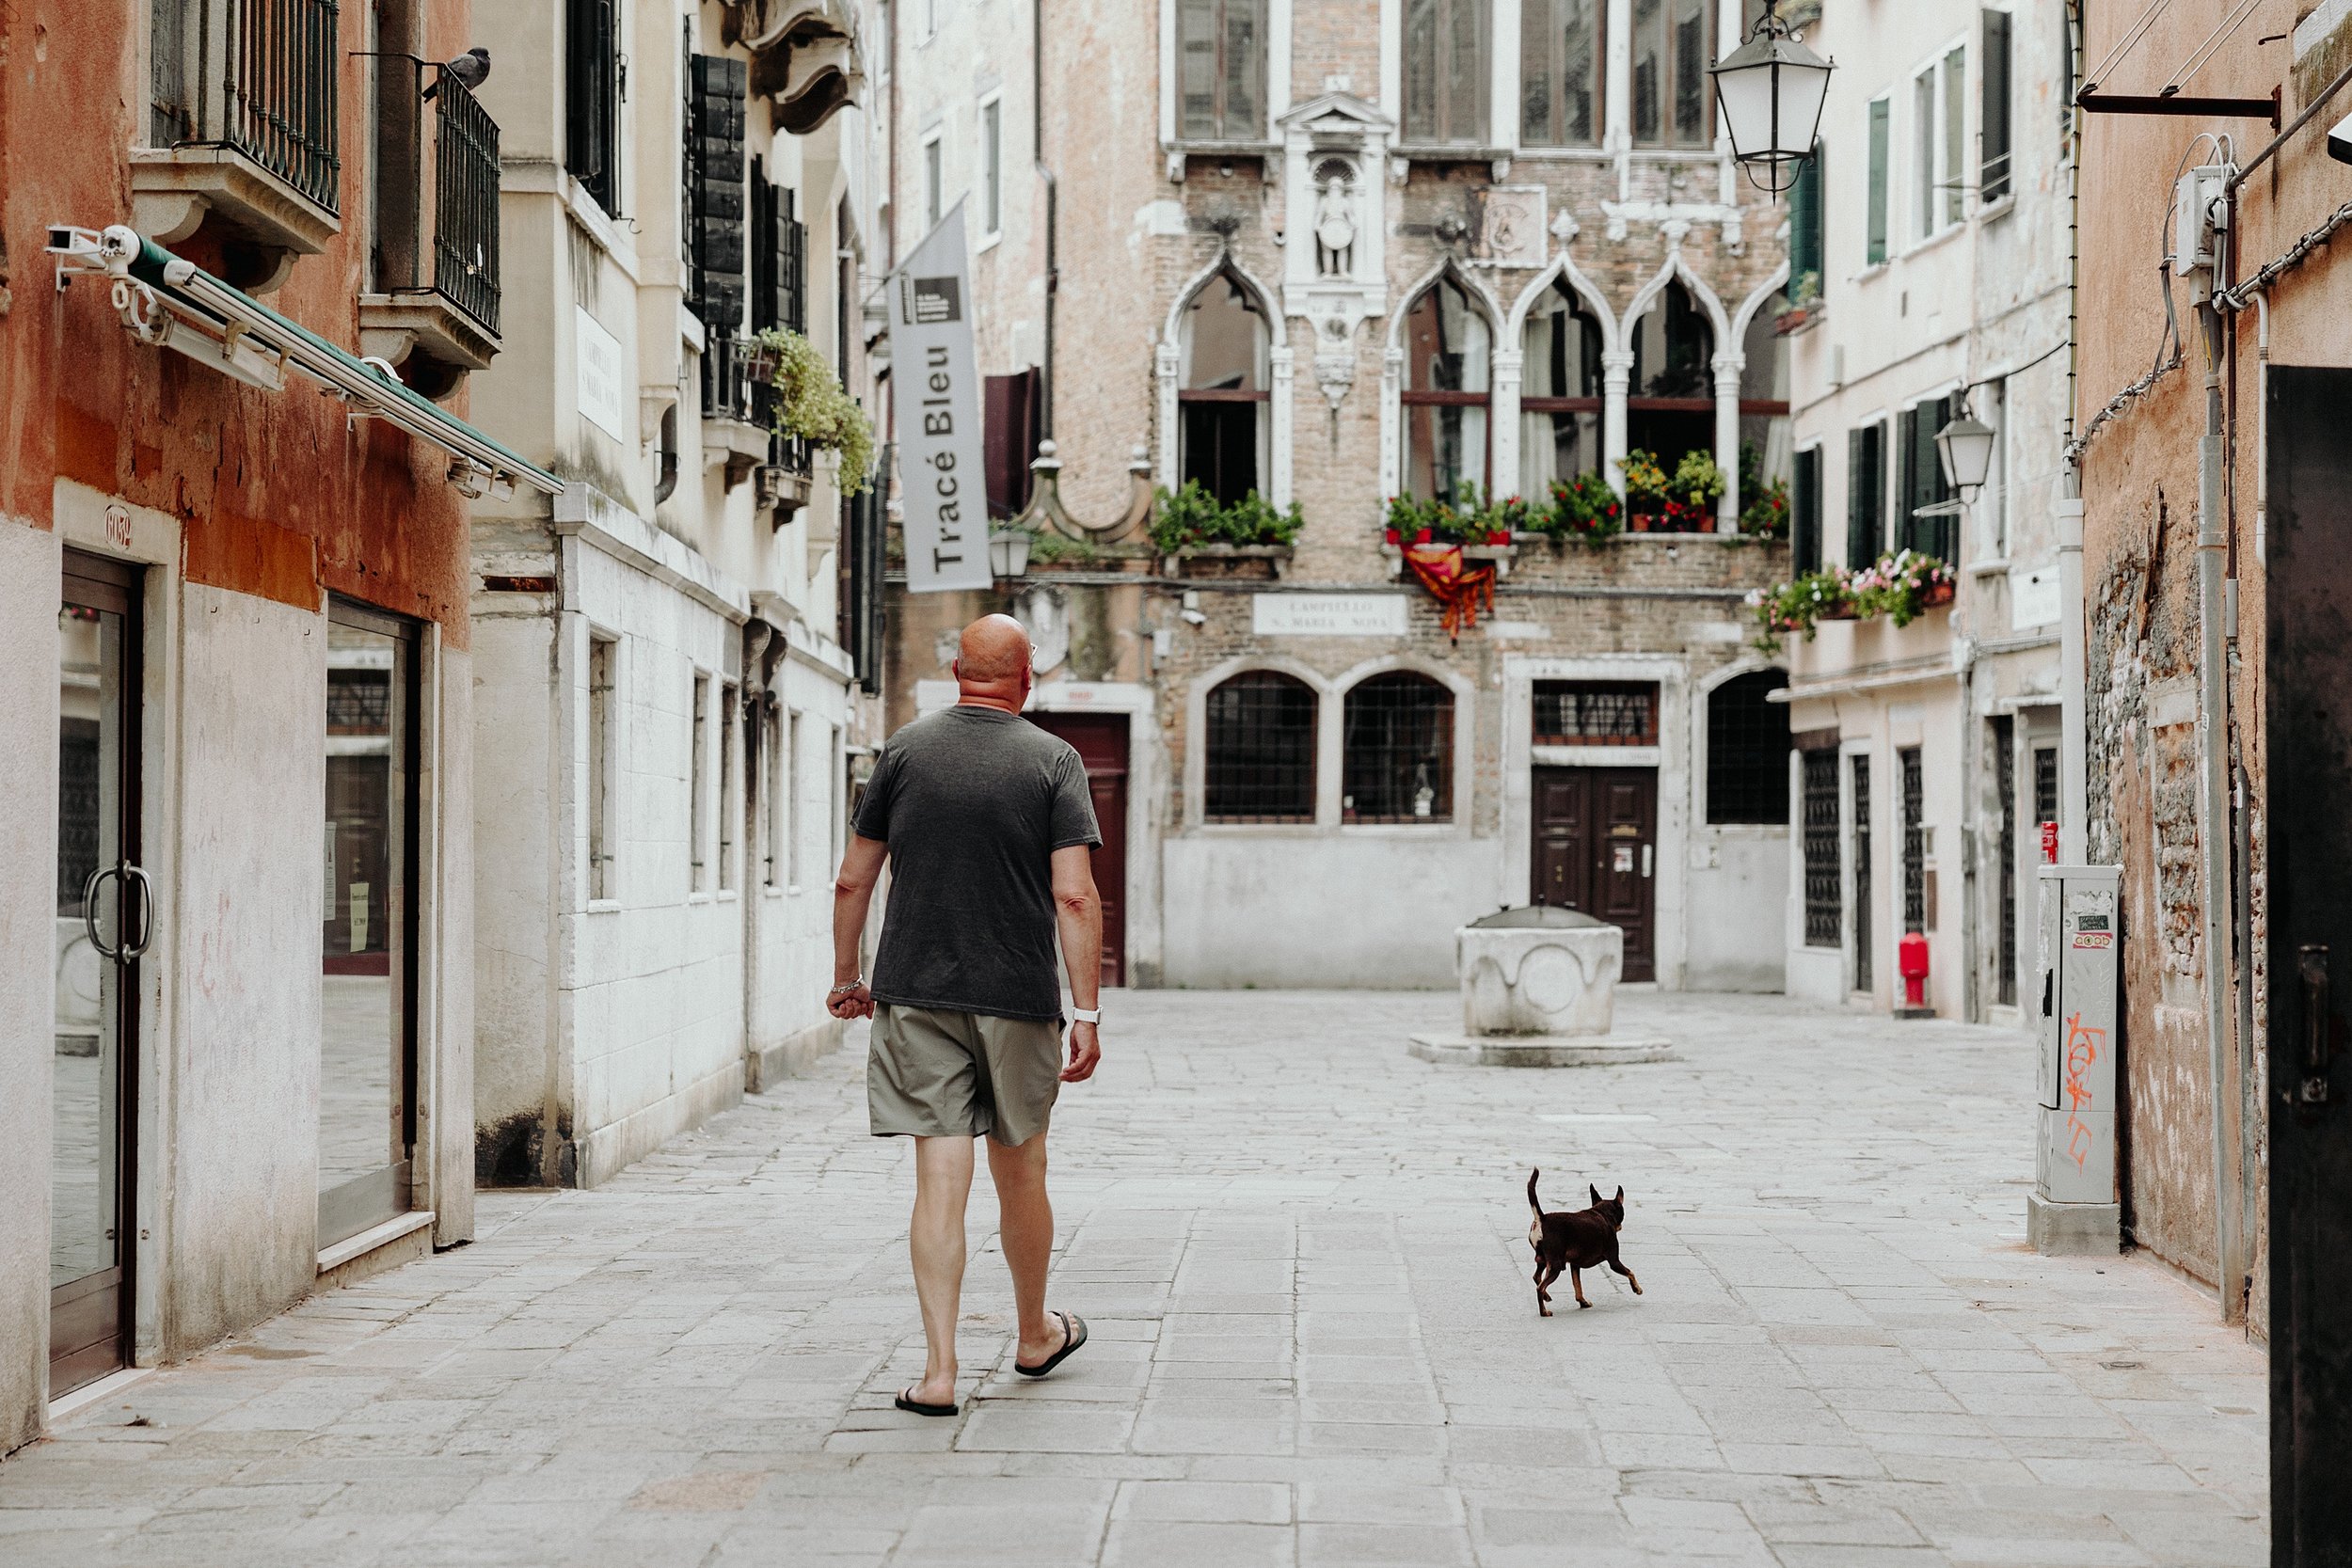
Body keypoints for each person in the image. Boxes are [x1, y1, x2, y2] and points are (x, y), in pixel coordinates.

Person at [827, 614, 1104, 1417]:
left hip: (916, 994)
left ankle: (939, 1373)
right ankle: (1032, 1334)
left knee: (937, 1181)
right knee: (1022, 1170)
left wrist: (850, 977)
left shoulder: (905, 750)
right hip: (1019, 998)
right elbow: (1075, 893)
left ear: (956, 669)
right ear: (1029, 677)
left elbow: (853, 879)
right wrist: (1084, 1010)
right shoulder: (1055, 760)